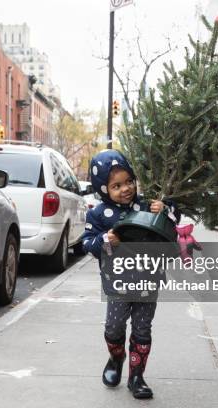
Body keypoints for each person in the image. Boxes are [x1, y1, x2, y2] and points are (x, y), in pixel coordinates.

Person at [81, 149, 170, 400]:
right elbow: (87, 243)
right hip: (117, 283)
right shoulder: (98, 214)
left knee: (142, 329)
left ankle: (136, 376)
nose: (126, 188)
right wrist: (105, 239)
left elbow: (170, 226)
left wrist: (163, 210)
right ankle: (116, 357)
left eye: (129, 181)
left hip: (147, 281)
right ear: (103, 189)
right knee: (114, 326)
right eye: (116, 185)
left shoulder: (146, 205)